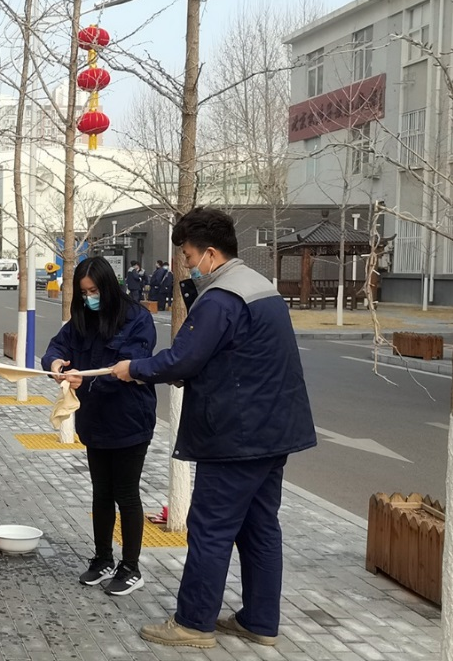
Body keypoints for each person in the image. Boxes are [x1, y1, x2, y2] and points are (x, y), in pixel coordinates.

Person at [110, 207, 317, 649]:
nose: (187, 265)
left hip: (235, 435)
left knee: (211, 527)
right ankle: (260, 621)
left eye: (188, 256)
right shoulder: (260, 287)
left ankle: (194, 623)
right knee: (260, 527)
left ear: (209, 252)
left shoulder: (222, 298)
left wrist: (134, 369)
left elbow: (184, 359)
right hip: (275, 430)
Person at [41, 256, 158, 596]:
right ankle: (103, 558)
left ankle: (131, 567)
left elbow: (128, 368)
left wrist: (87, 380)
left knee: (126, 493)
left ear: (108, 287)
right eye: (84, 292)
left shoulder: (137, 319)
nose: (89, 298)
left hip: (129, 418)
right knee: (101, 492)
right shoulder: (82, 318)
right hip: (94, 420)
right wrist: (56, 363)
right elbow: (58, 345)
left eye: (94, 291)